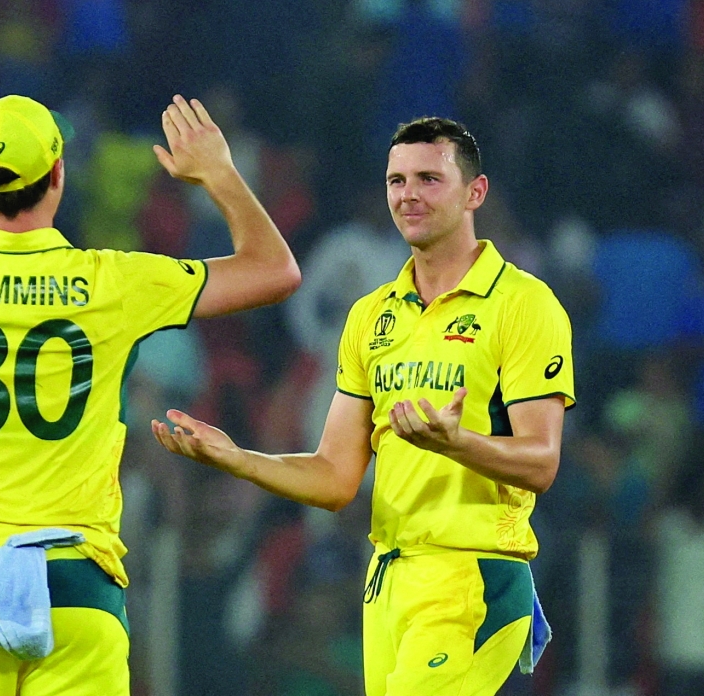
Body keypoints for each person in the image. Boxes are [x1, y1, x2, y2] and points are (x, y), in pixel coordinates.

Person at [0, 93, 301, 696]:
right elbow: (274, 270)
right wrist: (219, 173)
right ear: (60, 173)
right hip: (76, 583)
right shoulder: (115, 281)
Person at [153, 117, 575, 696]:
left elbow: (543, 461)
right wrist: (238, 458)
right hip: (386, 579)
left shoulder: (525, 305)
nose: (409, 194)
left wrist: (459, 444)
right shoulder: (372, 316)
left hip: (472, 574)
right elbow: (334, 477)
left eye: (430, 178)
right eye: (396, 180)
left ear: (474, 193)